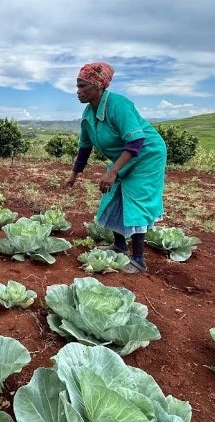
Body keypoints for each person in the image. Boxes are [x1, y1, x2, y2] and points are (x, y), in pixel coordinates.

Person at [64, 61, 167, 274]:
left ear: (99, 86)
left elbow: (136, 141)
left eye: (83, 86)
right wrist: (74, 174)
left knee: (137, 198)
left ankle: (138, 260)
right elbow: (85, 147)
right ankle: (120, 245)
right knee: (112, 195)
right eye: (77, 86)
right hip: (124, 155)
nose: (78, 91)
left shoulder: (119, 105)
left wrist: (113, 171)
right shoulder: (88, 114)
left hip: (147, 154)